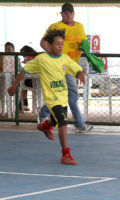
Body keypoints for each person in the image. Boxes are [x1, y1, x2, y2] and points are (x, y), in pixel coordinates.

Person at [7, 29, 85, 165]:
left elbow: (76, 68)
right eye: (57, 44)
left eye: (62, 44)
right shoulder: (42, 59)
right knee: (62, 122)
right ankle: (65, 154)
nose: (60, 47)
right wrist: (14, 86)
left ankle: (45, 126)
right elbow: (24, 71)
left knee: (55, 121)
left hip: (62, 97)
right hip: (51, 98)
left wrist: (80, 74)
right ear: (49, 45)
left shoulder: (65, 58)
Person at [39, 2, 92, 133]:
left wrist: (87, 57)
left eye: (70, 12)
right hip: (61, 66)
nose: (68, 15)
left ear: (73, 14)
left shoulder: (79, 26)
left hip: (73, 65)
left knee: (62, 93)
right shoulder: (55, 26)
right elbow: (43, 42)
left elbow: (84, 44)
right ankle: (80, 124)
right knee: (72, 94)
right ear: (61, 14)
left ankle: (44, 111)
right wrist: (54, 55)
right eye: (65, 12)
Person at [19, 45, 38, 112]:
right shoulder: (37, 56)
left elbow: (27, 70)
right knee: (23, 85)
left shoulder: (28, 58)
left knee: (22, 86)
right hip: (39, 80)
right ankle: (24, 105)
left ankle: (22, 105)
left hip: (32, 80)